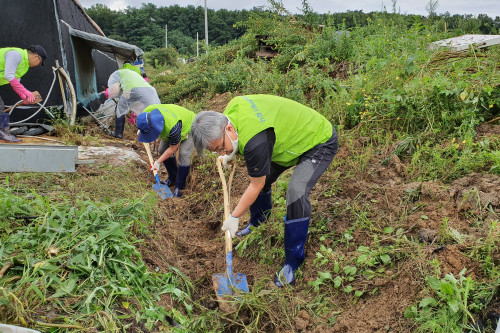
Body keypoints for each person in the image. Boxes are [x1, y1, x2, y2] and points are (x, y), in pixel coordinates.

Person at [191, 94, 338, 287]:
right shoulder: (231, 112)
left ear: (228, 129)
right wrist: (229, 153)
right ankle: (258, 222)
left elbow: (256, 185)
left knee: (296, 191)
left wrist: (234, 216)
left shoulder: (256, 143)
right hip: (286, 139)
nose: (221, 153)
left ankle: (293, 262)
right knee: (263, 175)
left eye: (221, 148)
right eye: (216, 151)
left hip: (317, 140)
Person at [136, 104, 196, 197]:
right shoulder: (147, 113)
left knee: (184, 153)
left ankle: (180, 187)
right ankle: (173, 177)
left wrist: (158, 162)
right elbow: (143, 122)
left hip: (190, 125)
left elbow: (173, 148)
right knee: (162, 149)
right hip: (169, 123)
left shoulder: (173, 128)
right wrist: (142, 130)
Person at [0, 45, 47, 142]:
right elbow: (9, 75)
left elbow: (15, 81)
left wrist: (23, 96)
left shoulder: (24, 65)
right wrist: (27, 92)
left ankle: (4, 134)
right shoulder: (15, 55)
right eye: (40, 62)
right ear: (35, 56)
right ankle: (3, 134)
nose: (38, 64)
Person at [103, 68, 160, 139]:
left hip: (133, 89)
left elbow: (115, 90)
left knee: (120, 109)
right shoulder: (130, 73)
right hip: (149, 91)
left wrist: (107, 93)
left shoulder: (115, 76)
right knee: (149, 112)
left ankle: (118, 134)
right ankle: (151, 133)